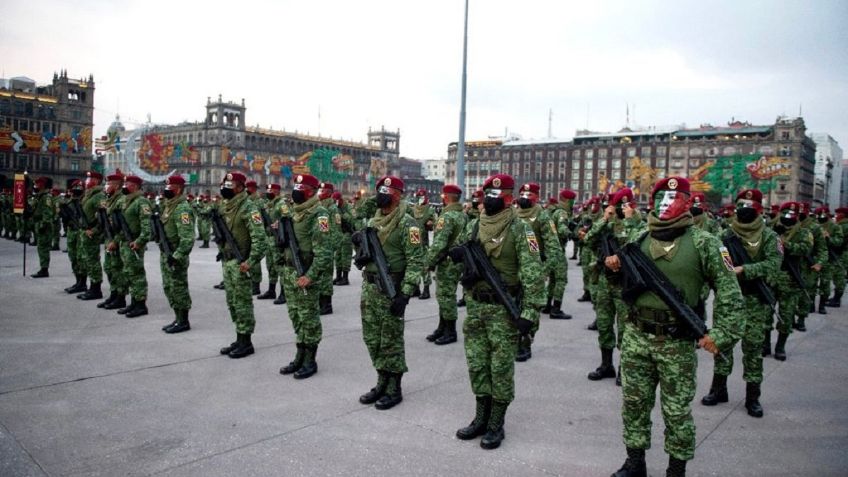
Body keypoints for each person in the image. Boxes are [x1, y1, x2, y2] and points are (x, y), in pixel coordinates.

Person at [609, 177, 743, 477]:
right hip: (637, 336)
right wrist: (614, 270)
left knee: (677, 411)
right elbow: (624, 286)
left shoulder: (704, 242)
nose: (666, 203)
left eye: (675, 197)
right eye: (661, 197)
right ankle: (635, 462)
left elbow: (731, 294)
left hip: (677, 342)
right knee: (633, 404)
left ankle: (676, 469)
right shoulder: (640, 238)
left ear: (688, 202)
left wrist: (721, 335)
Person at [453, 174, 544, 449]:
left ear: (508, 198)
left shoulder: (521, 228)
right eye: (487, 194)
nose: (490, 199)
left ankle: (496, 424)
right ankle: (481, 417)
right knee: (478, 364)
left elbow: (532, 273)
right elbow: (459, 253)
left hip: (504, 309)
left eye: (497, 194)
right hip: (476, 305)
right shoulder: (473, 225)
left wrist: (530, 312)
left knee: (500, 368)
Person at [701, 189, 781, 418]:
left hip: (756, 301)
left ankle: (752, 397)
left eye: (750, 205)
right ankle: (719, 389)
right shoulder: (725, 235)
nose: (744, 209)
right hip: (728, 300)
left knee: (753, 349)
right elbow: (715, 263)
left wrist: (745, 270)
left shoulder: (769, 237)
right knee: (722, 345)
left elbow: (773, 265)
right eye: (741, 205)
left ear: (759, 209)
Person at [357, 176, 424, 410]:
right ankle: (381, 381)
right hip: (370, 287)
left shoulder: (408, 224)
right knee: (372, 338)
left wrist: (405, 294)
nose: (381, 194)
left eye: (387, 190)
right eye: (380, 190)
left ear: (398, 195)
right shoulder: (373, 221)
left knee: (391, 341)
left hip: (392, 290)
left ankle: (394, 387)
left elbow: (416, 261)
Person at [584, 188, 643, 384]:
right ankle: (606, 364)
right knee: (604, 324)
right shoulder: (607, 225)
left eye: (626, 205)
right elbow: (588, 240)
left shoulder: (639, 224)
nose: (621, 209)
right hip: (604, 281)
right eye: (619, 205)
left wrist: (627, 219)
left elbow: (632, 244)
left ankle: (623, 368)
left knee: (625, 328)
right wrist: (604, 218)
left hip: (625, 283)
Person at [277, 174, 333, 379]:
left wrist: (310, 276)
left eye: (302, 187)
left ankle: (310, 360)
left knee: (309, 319)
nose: (297, 190)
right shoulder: (293, 212)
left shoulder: (319, 215)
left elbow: (324, 252)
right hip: (290, 272)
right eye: (296, 186)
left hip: (305, 274)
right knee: (296, 316)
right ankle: (299, 356)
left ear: (311, 191)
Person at [216, 172, 267, 357]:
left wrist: (251, 262)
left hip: (241, 263)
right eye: (224, 183)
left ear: (239, 187)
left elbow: (261, 240)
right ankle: (238, 338)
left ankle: (246, 342)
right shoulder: (225, 206)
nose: (225, 187)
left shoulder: (249, 208)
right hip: (227, 261)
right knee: (232, 303)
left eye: (230, 184)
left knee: (243, 303)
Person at [514, 182, 565, 361]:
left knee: (531, 307)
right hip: (514, 269)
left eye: (530, 195)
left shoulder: (543, 217)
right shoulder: (512, 214)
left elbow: (554, 248)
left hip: (535, 268)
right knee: (514, 306)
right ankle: (516, 339)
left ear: (536, 197)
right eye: (523, 194)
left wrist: (544, 270)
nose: (526, 198)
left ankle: (526, 341)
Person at [766, 202, 814, 360]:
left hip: (790, 280)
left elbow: (804, 249)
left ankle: (780, 347)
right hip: (771, 279)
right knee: (765, 314)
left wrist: (784, 243)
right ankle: (765, 344)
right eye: (786, 213)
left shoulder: (804, 232)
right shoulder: (771, 229)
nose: (788, 217)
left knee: (786, 316)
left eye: (792, 214)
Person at [425, 184, 467, 345]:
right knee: (445, 295)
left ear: (447, 197)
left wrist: (429, 262)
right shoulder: (462, 215)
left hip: (447, 261)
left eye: (443, 196)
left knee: (445, 296)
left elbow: (440, 243)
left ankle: (450, 331)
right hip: (457, 261)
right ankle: (442, 327)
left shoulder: (447, 216)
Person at [157, 175, 195, 333]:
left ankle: (183, 321)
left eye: (169, 188)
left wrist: (177, 256)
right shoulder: (169, 205)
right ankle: (177, 318)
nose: (166, 191)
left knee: (178, 288)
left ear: (178, 190)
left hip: (175, 255)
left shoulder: (182, 208)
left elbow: (187, 238)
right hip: (166, 253)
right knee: (169, 287)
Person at [115, 175, 152, 318]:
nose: (124, 186)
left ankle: (141, 305)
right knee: (129, 273)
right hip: (125, 243)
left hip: (134, 243)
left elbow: (146, 227)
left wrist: (140, 241)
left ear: (135, 186)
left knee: (137, 274)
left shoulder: (141, 202)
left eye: (127, 184)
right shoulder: (126, 200)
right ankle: (133, 302)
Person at [98, 172, 128, 310]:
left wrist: (115, 241)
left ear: (116, 186)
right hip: (108, 238)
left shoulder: (121, 200)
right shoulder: (109, 199)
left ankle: (120, 297)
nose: (106, 186)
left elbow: (123, 225)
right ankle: (113, 293)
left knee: (118, 270)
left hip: (117, 241)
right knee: (109, 268)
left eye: (109, 184)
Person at [76, 171, 107, 301]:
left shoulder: (99, 196)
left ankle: (96, 288)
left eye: (91, 178)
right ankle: (90, 287)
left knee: (93, 261)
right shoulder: (88, 194)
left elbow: (104, 217)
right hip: (85, 232)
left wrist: (94, 230)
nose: (88, 180)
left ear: (98, 181)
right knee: (87, 260)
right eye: (87, 178)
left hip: (92, 234)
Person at [548, 189, 578, 318]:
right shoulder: (562, 213)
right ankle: (556, 309)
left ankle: (547, 305)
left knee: (553, 280)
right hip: (557, 250)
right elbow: (561, 229)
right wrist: (573, 235)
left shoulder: (554, 211)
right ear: (568, 200)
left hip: (550, 250)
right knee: (561, 280)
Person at [812, 206, 843, 316]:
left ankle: (822, 305)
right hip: (814, 257)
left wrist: (829, 238)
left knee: (825, 283)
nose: (821, 216)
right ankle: (811, 304)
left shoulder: (834, 227)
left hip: (829, 259)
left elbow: (839, 241)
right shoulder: (813, 225)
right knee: (812, 282)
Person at [317, 182, 341, 314]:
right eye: (320, 190)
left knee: (326, 277)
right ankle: (320, 302)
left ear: (330, 193)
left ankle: (327, 305)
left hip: (327, 248)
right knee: (319, 276)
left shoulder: (332, 208)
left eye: (323, 190)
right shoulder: (319, 207)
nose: (320, 192)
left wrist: (330, 248)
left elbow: (336, 231)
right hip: (319, 247)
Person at [258, 184, 284, 301]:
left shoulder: (281, 204)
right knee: (270, 266)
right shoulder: (268, 205)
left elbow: (288, 217)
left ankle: (284, 293)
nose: (268, 192)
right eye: (267, 189)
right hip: (268, 238)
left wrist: (280, 223)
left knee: (280, 265)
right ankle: (271, 290)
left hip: (277, 238)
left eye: (271, 190)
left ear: (277, 191)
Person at [63, 180, 88, 293]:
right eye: (74, 189)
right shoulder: (69, 202)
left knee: (81, 258)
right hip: (71, 232)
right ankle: (78, 281)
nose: (76, 191)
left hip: (80, 233)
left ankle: (82, 283)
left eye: (79, 189)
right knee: (73, 257)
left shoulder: (84, 202)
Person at [411, 188, 436, 299]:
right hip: (412, 241)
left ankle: (426, 290)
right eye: (419, 197)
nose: (420, 199)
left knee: (425, 267)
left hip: (423, 242)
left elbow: (434, 223)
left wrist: (430, 224)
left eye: (422, 197)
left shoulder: (429, 210)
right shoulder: (413, 209)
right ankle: (416, 288)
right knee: (414, 266)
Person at [30, 176, 55, 278]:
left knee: (43, 248)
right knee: (41, 247)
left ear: (42, 185)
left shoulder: (46, 197)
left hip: (44, 226)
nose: (35, 186)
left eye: (37, 184)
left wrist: (43, 224)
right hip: (39, 223)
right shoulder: (39, 196)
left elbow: (47, 212)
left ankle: (44, 269)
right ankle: (43, 268)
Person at [826, 207, 848, 307]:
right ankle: (836, 298)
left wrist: (828, 237)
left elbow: (838, 241)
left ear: (843, 215)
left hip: (842, 254)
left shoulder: (844, 226)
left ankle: (837, 300)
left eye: (838, 213)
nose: (836, 215)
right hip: (842, 253)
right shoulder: (842, 225)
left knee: (839, 276)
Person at [332, 191, 354, 286]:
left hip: (347, 233)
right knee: (338, 256)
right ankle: (338, 276)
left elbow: (353, 218)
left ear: (341, 199)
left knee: (346, 256)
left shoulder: (348, 206)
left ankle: (345, 278)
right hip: (339, 234)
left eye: (337, 201)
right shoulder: (334, 207)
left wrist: (342, 214)